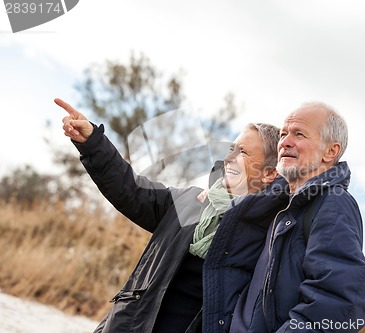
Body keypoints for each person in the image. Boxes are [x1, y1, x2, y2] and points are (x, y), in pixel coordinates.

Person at [55, 98, 288, 333]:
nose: (229, 159)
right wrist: (92, 142)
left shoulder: (272, 234)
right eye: (231, 150)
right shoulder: (189, 201)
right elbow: (131, 190)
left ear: (269, 173)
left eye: (243, 153)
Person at [202, 102, 365, 332]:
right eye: (283, 134)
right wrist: (216, 195)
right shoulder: (286, 204)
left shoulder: (332, 203)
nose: (284, 142)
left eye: (299, 134)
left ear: (331, 151)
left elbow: (342, 301)